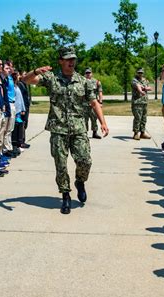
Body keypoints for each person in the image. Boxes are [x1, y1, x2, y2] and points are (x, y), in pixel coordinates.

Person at [22, 47, 109, 214]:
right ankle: (66, 195)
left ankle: (80, 181)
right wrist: (35, 71)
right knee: (60, 164)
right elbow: (25, 80)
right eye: (68, 59)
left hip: (78, 128)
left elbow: (93, 102)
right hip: (58, 128)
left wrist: (102, 122)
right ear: (60, 61)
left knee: (85, 160)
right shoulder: (51, 78)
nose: (71, 62)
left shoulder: (84, 81)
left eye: (73, 59)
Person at [2, 60, 18, 157]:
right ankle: (6, 148)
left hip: (13, 103)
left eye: (10, 67)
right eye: (7, 67)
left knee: (10, 128)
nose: (11, 69)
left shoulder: (10, 78)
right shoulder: (4, 80)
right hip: (8, 104)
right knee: (6, 129)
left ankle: (9, 146)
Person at [131, 68, 152, 140]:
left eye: (141, 73)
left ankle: (142, 133)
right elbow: (137, 86)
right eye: (139, 73)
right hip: (137, 102)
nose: (140, 74)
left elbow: (150, 88)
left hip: (144, 102)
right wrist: (141, 90)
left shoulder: (145, 80)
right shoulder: (134, 80)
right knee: (138, 118)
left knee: (144, 118)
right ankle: (136, 133)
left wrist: (145, 88)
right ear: (136, 73)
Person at [84, 68, 103, 139]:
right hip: (84, 104)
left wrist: (100, 102)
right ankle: (84, 133)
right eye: (86, 73)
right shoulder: (82, 81)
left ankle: (95, 133)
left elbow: (100, 92)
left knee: (94, 119)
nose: (88, 74)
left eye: (89, 73)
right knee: (84, 120)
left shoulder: (97, 82)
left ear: (92, 73)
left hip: (94, 104)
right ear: (85, 74)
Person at [11, 71, 26, 151]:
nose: (19, 76)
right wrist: (16, 111)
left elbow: (21, 99)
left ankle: (19, 143)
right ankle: (15, 145)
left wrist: (23, 109)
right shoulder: (12, 87)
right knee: (15, 129)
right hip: (16, 112)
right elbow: (15, 100)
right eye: (18, 75)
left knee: (20, 127)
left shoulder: (17, 86)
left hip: (19, 111)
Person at [18, 71, 31, 149]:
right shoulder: (20, 84)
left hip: (26, 106)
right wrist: (22, 108)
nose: (26, 75)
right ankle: (21, 142)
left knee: (25, 124)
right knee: (22, 124)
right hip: (23, 108)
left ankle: (23, 140)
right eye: (24, 74)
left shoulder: (25, 84)